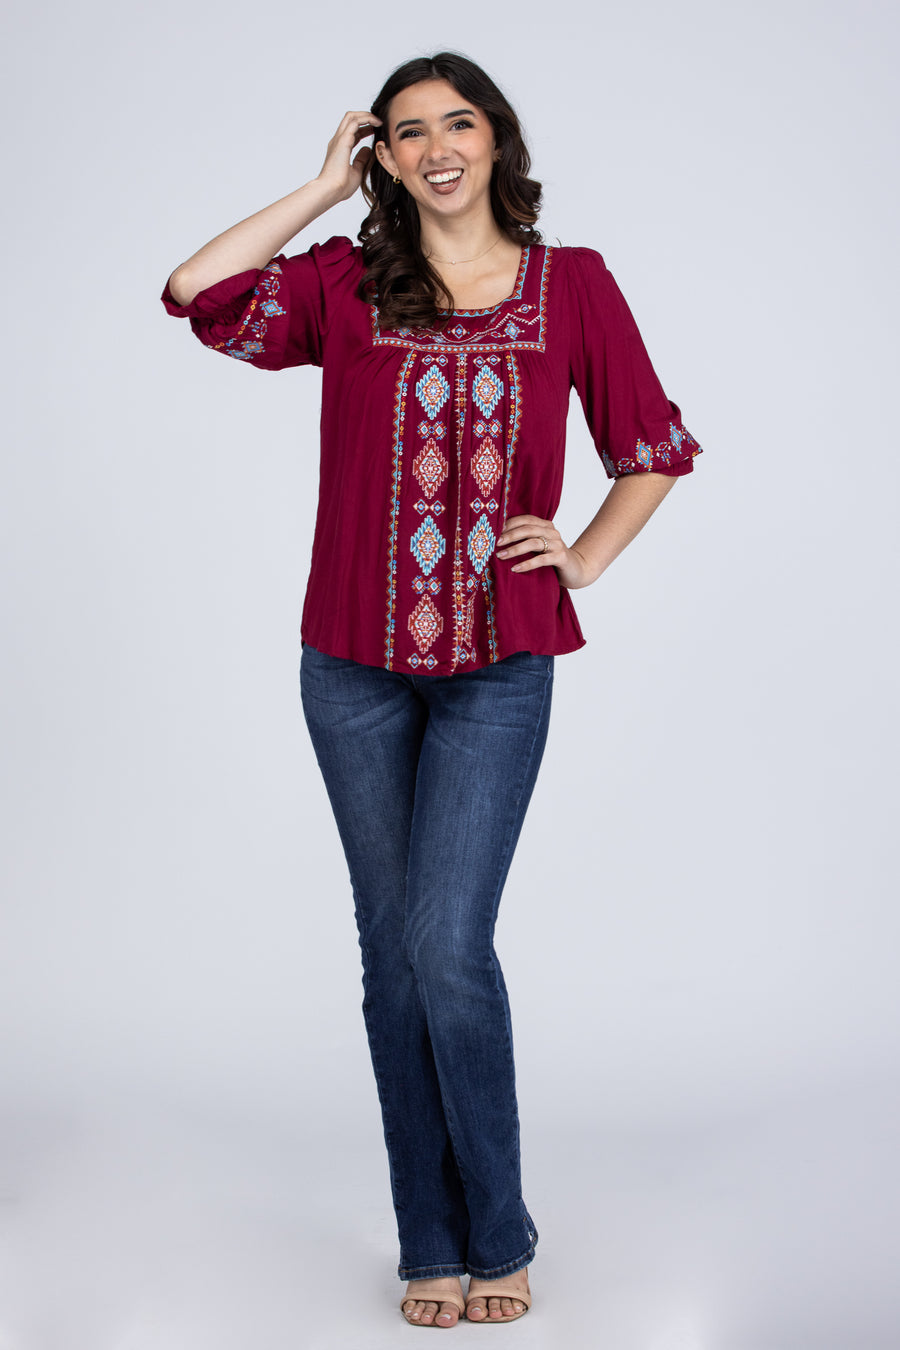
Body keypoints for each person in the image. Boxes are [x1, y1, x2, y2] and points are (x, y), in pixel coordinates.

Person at [161, 51, 702, 1329]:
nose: (437, 147)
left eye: (458, 123)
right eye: (408, 133)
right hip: (350, 665)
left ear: (496, 138)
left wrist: (583, 557)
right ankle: (430, 1240)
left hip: (498, 668)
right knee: (391, 959)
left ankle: (498, 1227)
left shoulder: (575, 286)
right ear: (387, 159)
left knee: (447, 946)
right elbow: (197, 292)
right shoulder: (350, 283)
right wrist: (319, 186)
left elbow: (653, 445)